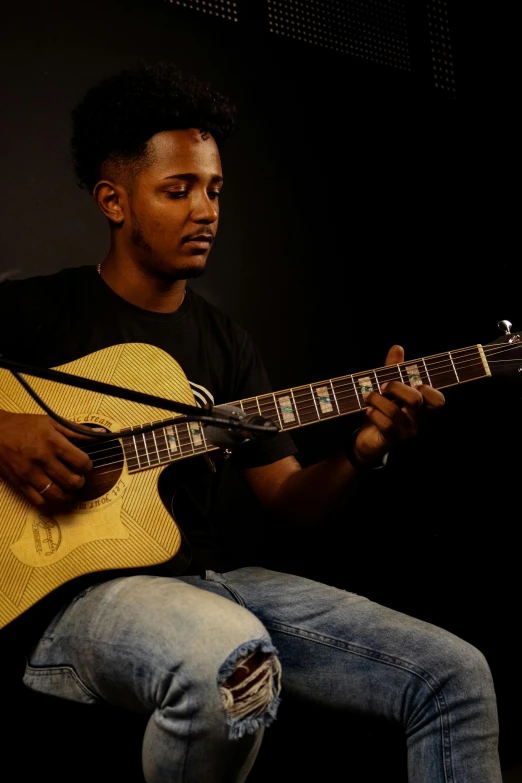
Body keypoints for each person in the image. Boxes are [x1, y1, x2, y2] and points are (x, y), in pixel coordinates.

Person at [0, 62, 501, 782]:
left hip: (210, 582)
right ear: (113, 199)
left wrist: (363, 451)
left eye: (214, 189)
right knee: (230, 656)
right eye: (178, 190)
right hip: (70, 600)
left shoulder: (226, 343)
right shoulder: (37, 311)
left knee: (457, 674)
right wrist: (6, 430)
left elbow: (288, 499)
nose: (206, 209)